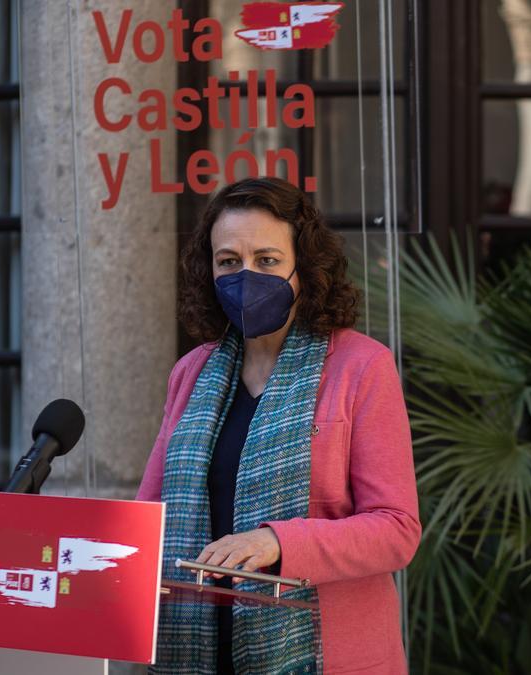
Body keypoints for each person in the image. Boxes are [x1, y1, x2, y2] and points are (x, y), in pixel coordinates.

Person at [137, 177, 420, 674]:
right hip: (198, 648)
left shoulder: (361, 367)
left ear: (304, 269)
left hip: (324, 655)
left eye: (267, 260)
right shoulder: (191, 373)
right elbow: (148, 519)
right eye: (229, 262)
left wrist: (278, 543)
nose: (246, 277)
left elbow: (396, 530)